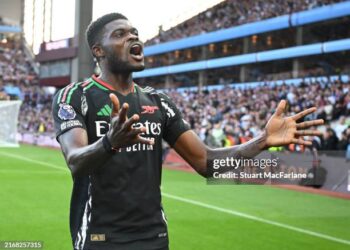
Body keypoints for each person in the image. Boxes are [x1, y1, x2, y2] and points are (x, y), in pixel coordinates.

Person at [52, 13, 324, 250]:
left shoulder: (157, 102)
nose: (133, 38)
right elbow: (75, 161)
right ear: (99, 51)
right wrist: (110, 142)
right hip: (100, 238)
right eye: (120, 34)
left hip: (154, 237)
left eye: (135, 33)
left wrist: (262, 141)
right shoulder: (75, 96)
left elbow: (207, 163)